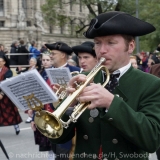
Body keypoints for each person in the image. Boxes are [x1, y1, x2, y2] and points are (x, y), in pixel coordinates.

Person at [49, 11, 160, 160]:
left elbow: (152, 140)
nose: (101, 50)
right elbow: (57, 139)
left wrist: (111, 103)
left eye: (111, 42)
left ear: (130, 46)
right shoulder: (85, 79)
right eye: (97, 43)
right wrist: (69, 106)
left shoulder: (151, 84)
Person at [45, 42, 81, 160]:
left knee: (64, 155)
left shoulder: (77, 71)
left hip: (66, 123)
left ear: (63, 55)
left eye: (53, 53)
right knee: (54, 152)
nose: (50, 56)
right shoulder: (45, 72)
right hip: (49, 120)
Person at [0, 54, 22, 135]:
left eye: (0, 61)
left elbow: (7, 83)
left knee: (10, 112)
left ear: (4, 62)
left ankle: (16, 125)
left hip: (5, 94)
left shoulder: (7, 71)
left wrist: (2, 93)